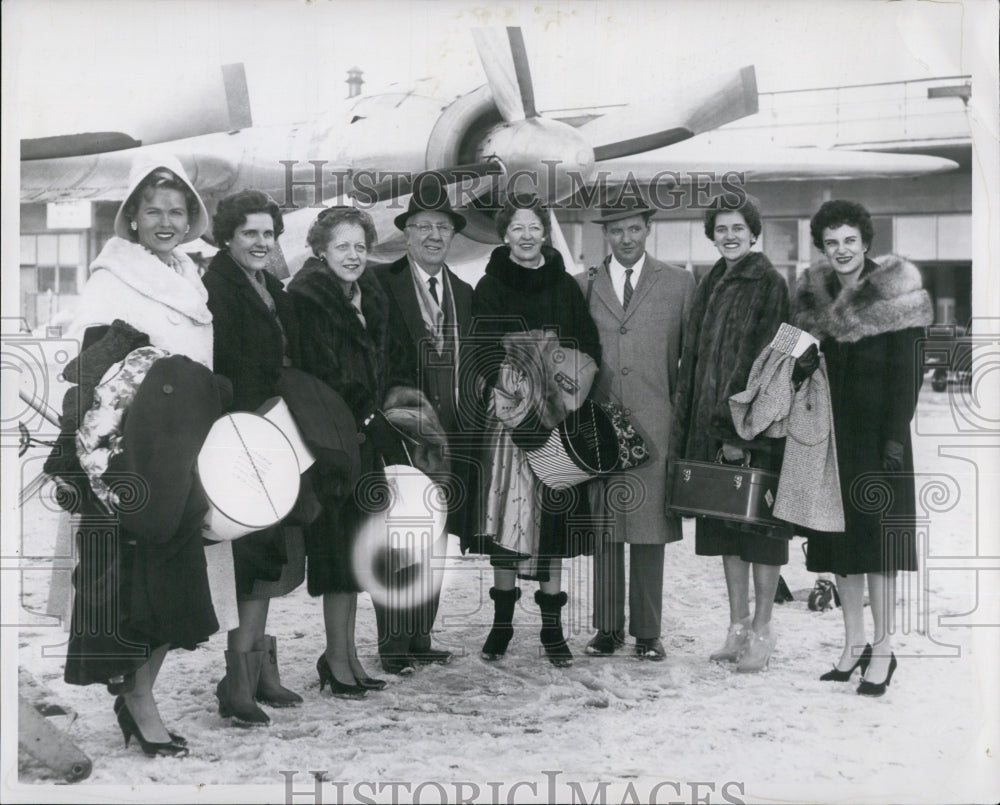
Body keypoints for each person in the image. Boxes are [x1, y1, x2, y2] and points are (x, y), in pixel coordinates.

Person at [53, 153, 222, 756]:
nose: (166, 221)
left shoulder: (188, 274)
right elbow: (91, 375)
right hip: (127, 460)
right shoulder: (112, 278)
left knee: (174, 588)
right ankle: (139, 699)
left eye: (177, 210)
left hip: (183, 453)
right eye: (153, 211)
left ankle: (140, 693)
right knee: (134, 588)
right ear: (132, 216)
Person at [794, 200, 931, 695]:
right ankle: (853, 645)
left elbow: (910, 369)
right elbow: (794, 356)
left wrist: (895, 435)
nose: (841, 250)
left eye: (849, 240)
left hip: (880, 438)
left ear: (866, 241)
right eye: (831, 242)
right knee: (840, 543)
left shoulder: (895, 289)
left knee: (877, 546)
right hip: (831, 435)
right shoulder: (813, 292)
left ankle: (885, 646)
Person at [287, 206, 414, 696]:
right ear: (320, 249)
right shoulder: (307, 297)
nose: (353, 255)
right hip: (333, 441)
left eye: (360, 246)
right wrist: (366, 414)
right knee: (338, 555)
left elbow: (385, 363)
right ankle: (337, 661)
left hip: (367, 439)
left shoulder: (370, 293)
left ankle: (347, 656)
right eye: (342, 246)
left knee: (358, 554)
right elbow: (320, 370)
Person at [473, 195, 602, 667]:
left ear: (545, 233)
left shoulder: (565, 285)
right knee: (506, 520)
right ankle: (502, 624)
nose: (527, 236)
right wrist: (517, 392)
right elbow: (482, 351)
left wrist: (567, 389)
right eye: (517, 228)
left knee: (552, 520)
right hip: (509, 421)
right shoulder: (488, 285)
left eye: (535, 228)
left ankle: (552, 630)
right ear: (504, 234)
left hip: (558, 417)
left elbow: (586, 344)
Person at [669, 192, 792, 673]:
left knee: (758, 534)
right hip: (709, 433)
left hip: (750, 434)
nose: (730, 236)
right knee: (724, 529)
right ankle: (737, 626)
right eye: (721, 229)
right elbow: (694, 363)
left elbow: (771, 365)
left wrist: (739, 434)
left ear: (753, 232)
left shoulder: (770, 283)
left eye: (738, 227)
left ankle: (763, 628)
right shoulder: (711, 281)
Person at [202, 190, 305, 723]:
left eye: (269, 233)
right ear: (227, 237)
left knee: (272, 551)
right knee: (252, 555)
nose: (263, 242)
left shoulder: (269, 286)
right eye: (251, 234)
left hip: (275, 433)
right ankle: (237, 677)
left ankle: (259, 664)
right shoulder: (217, 288)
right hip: (243, 435)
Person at [578, 198, 695, 661]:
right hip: (601, 424)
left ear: (648, 229)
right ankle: (607, 629)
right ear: (605, 234)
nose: (625, 239)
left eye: (633, 230)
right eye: (615, 232)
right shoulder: (584, 284)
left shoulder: (681, 284)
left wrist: (680, 416)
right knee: (606, 528)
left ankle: (648, 632)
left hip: (656, 424)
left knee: (649, 530)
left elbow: (693, 359)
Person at [371, 184, 476, 672]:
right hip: (401, 432)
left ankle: (420, 634)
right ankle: (393, 642)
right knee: (400, 535)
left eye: (443, 227)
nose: (434, 235)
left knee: (438, 537)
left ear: (453, 235)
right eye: (424, 227)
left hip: (450, 435)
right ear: (407, 235)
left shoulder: (464, 293)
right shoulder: (381, 284)